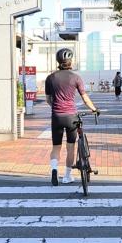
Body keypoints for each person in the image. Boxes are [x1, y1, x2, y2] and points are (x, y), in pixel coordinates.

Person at [45, 47, 98, 186]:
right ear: (70, 61)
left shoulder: (50, 78)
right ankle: (67, 176)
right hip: (71, 117)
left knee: (56, 147)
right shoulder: (76, 78)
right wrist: (94, 109)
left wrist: (56, 108)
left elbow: (48, 99)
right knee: (70, 147)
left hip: (56, 116)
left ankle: (54, 171)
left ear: (58, 61)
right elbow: (85, 98)